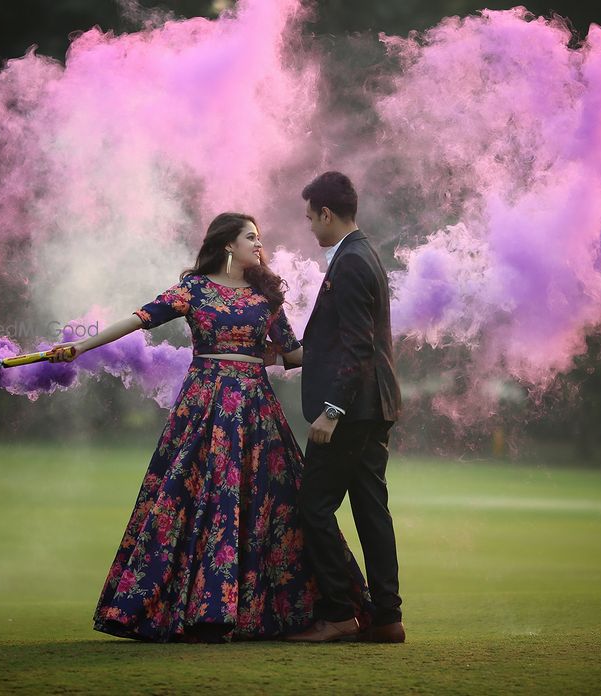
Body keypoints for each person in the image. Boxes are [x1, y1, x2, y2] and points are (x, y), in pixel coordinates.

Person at [49, 212, 372, 642]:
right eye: (250, 238)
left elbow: (295, 356)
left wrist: (355, 344)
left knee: (271, 506)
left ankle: (288, 613)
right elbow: (139, 318)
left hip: (256, 410)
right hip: (203, 408)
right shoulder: (195, 290)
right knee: (191, 500)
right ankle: (201, 612)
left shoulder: (265, 295)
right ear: (227, 245)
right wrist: (80, 347)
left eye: (259, 238)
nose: (259, 245)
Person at [286, 172, 405, 643]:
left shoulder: (351, 262)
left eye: (311, 218)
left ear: (327, 213)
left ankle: (339, 613)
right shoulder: (363, 253)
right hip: (372, 407)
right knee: (372, 511)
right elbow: (340, 343)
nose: (310, 227)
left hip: (352, 411)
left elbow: (358, 348)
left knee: (312, 506)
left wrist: (331, 411)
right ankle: (387, 617)